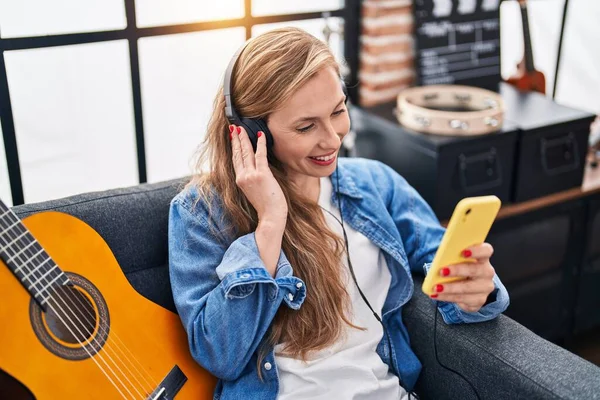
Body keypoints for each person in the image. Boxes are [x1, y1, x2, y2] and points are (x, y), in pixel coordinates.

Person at [168, 27, 509, 400]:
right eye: (306, 126)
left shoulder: (376, 184)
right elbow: (220, 354)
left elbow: (448, 262)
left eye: (338, 111)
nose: (332, 138)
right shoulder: (200, 215)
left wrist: (479, 290)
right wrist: (269, 224)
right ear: (250, 134)